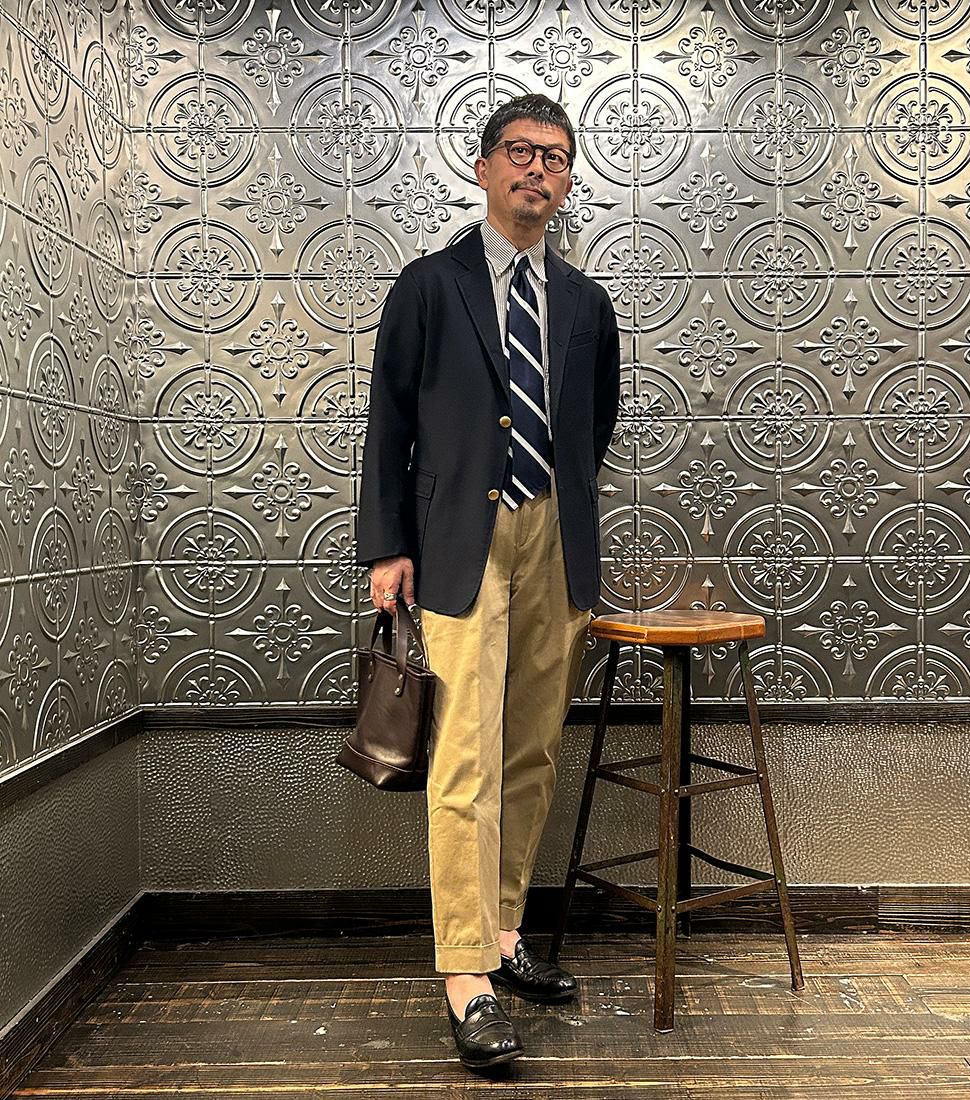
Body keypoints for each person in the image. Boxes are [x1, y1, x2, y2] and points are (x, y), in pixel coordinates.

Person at [356, 93, 622, 1071]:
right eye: (519, 151)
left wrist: (557, 502)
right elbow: (389, 419)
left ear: (567, 180)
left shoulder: (586, 303)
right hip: (458, 539)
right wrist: (388, 544)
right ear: (482, 168)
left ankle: (506, 931)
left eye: (554, 156)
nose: (536, 169)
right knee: (463, 753)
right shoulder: (430, 286)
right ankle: (464, 971)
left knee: (531, 749)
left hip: (556, 536)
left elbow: (595, 422)